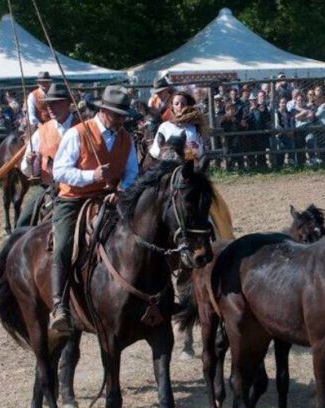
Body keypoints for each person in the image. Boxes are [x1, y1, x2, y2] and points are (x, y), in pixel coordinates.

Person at [48, 86, 139, 333]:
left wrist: (121, 191)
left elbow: (132, 173)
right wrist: (92, 175)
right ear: (103, 111)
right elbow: (60, 171)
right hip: (73, 199)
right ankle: (59, 304)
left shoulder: (126, 139)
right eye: (117, 115)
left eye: (124, 116)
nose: (121, 120)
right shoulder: (78, 133)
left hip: (111, 198)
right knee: (65, 243)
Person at [16, 83, 77, 227]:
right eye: (48, 103)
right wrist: (30, 162)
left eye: (55, 103)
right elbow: (27, 169)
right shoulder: (41, 131)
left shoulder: (83, 127)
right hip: (49, 188)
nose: (49, 107)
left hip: (78, 190)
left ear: (68, 103)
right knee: (23, 222)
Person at [148, 91, 208, 162]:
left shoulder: (194, 127)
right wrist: (165, 152)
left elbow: (202, 151)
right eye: (176, 104)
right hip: (169, 164)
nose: (180, 106)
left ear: (188, 106)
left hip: (189, 163)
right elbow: (155, 151)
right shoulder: (165, 126)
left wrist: (197, 147)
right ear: (172, 107)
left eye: (183, 104)